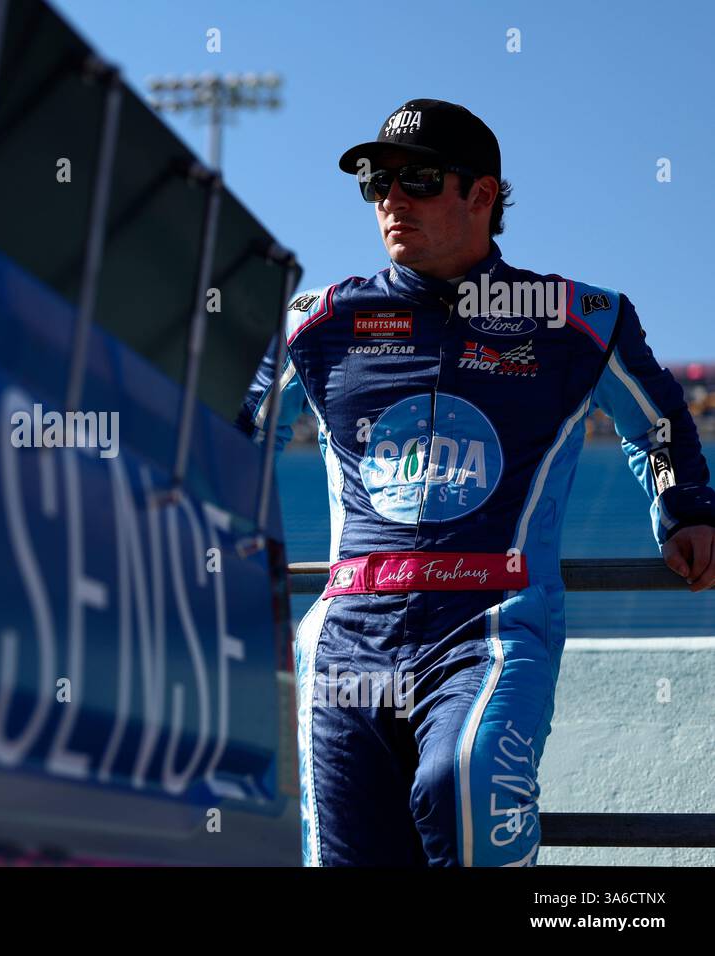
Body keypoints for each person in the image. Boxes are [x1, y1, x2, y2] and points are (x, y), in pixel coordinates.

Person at [237, 98, 715, 866]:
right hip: (347, 637)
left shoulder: (578, 319)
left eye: (419, 179)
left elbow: (657, 424)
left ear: (484, 195)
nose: (392, 197)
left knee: (463, 779)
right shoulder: (315, 323)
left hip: (489, 621)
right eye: (376, 181)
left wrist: (686, 509)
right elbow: (225, 434)